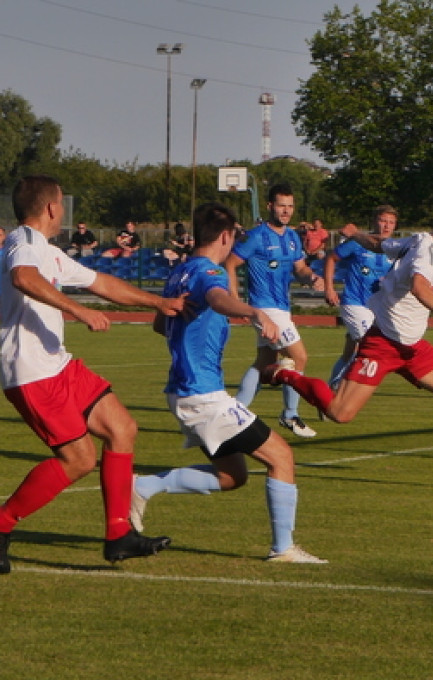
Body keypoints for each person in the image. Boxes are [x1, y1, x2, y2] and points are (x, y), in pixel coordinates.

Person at [264, 204, 433, 491]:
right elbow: (420, 287)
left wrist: (356, 234)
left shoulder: (418, 240)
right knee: (340, 413)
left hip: (412, 346)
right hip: (384, 343)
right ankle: (286, 374)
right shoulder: (427, 252)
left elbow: (379, 244)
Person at [0, 175, 186, 575]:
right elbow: (22, 278)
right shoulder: (23, 243)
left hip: (57, 364)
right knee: (79, 459)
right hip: (31, 371)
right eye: (62, 205)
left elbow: (100, 282)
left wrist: (159, 302)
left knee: (122, 427)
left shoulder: (46, 251)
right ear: (51, 207)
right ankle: (0, 525)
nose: (63, 212)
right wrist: (79, 310)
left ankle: (119, 535)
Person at [130, 202, 326, 564]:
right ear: (225, 235)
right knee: (282, 456)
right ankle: (283, 549)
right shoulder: (209, 272)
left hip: (186, 390)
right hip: (202, 395)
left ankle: (142, 487)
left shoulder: (180, 272)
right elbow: (219, 299)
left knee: (232, 476)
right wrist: (252, 311)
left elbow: (162, 324)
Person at [227, 182, 325, 439]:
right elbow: (230, 264)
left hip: (281, 307)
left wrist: (312, 277)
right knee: (299, 357)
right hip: (265, 308)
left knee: (264, 362)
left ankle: (233, 414)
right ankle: (290, 414)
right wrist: (236, 301)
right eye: (281, 205)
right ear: (270, 206)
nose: (286, 211)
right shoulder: (256, 236)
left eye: (290, 206)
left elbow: (300, 268)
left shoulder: (293, 237)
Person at [323, 204, 399, 389]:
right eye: (383, 221)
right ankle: (334, 388)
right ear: (374, 222)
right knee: (368, 346)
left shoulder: (395, 249)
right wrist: (329, 288)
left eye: (391, 222)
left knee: (349, 353)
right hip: (355, 302)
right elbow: (331, 258)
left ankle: (326, 391)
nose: (386, 226)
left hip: (376, 308)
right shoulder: (358, 243)